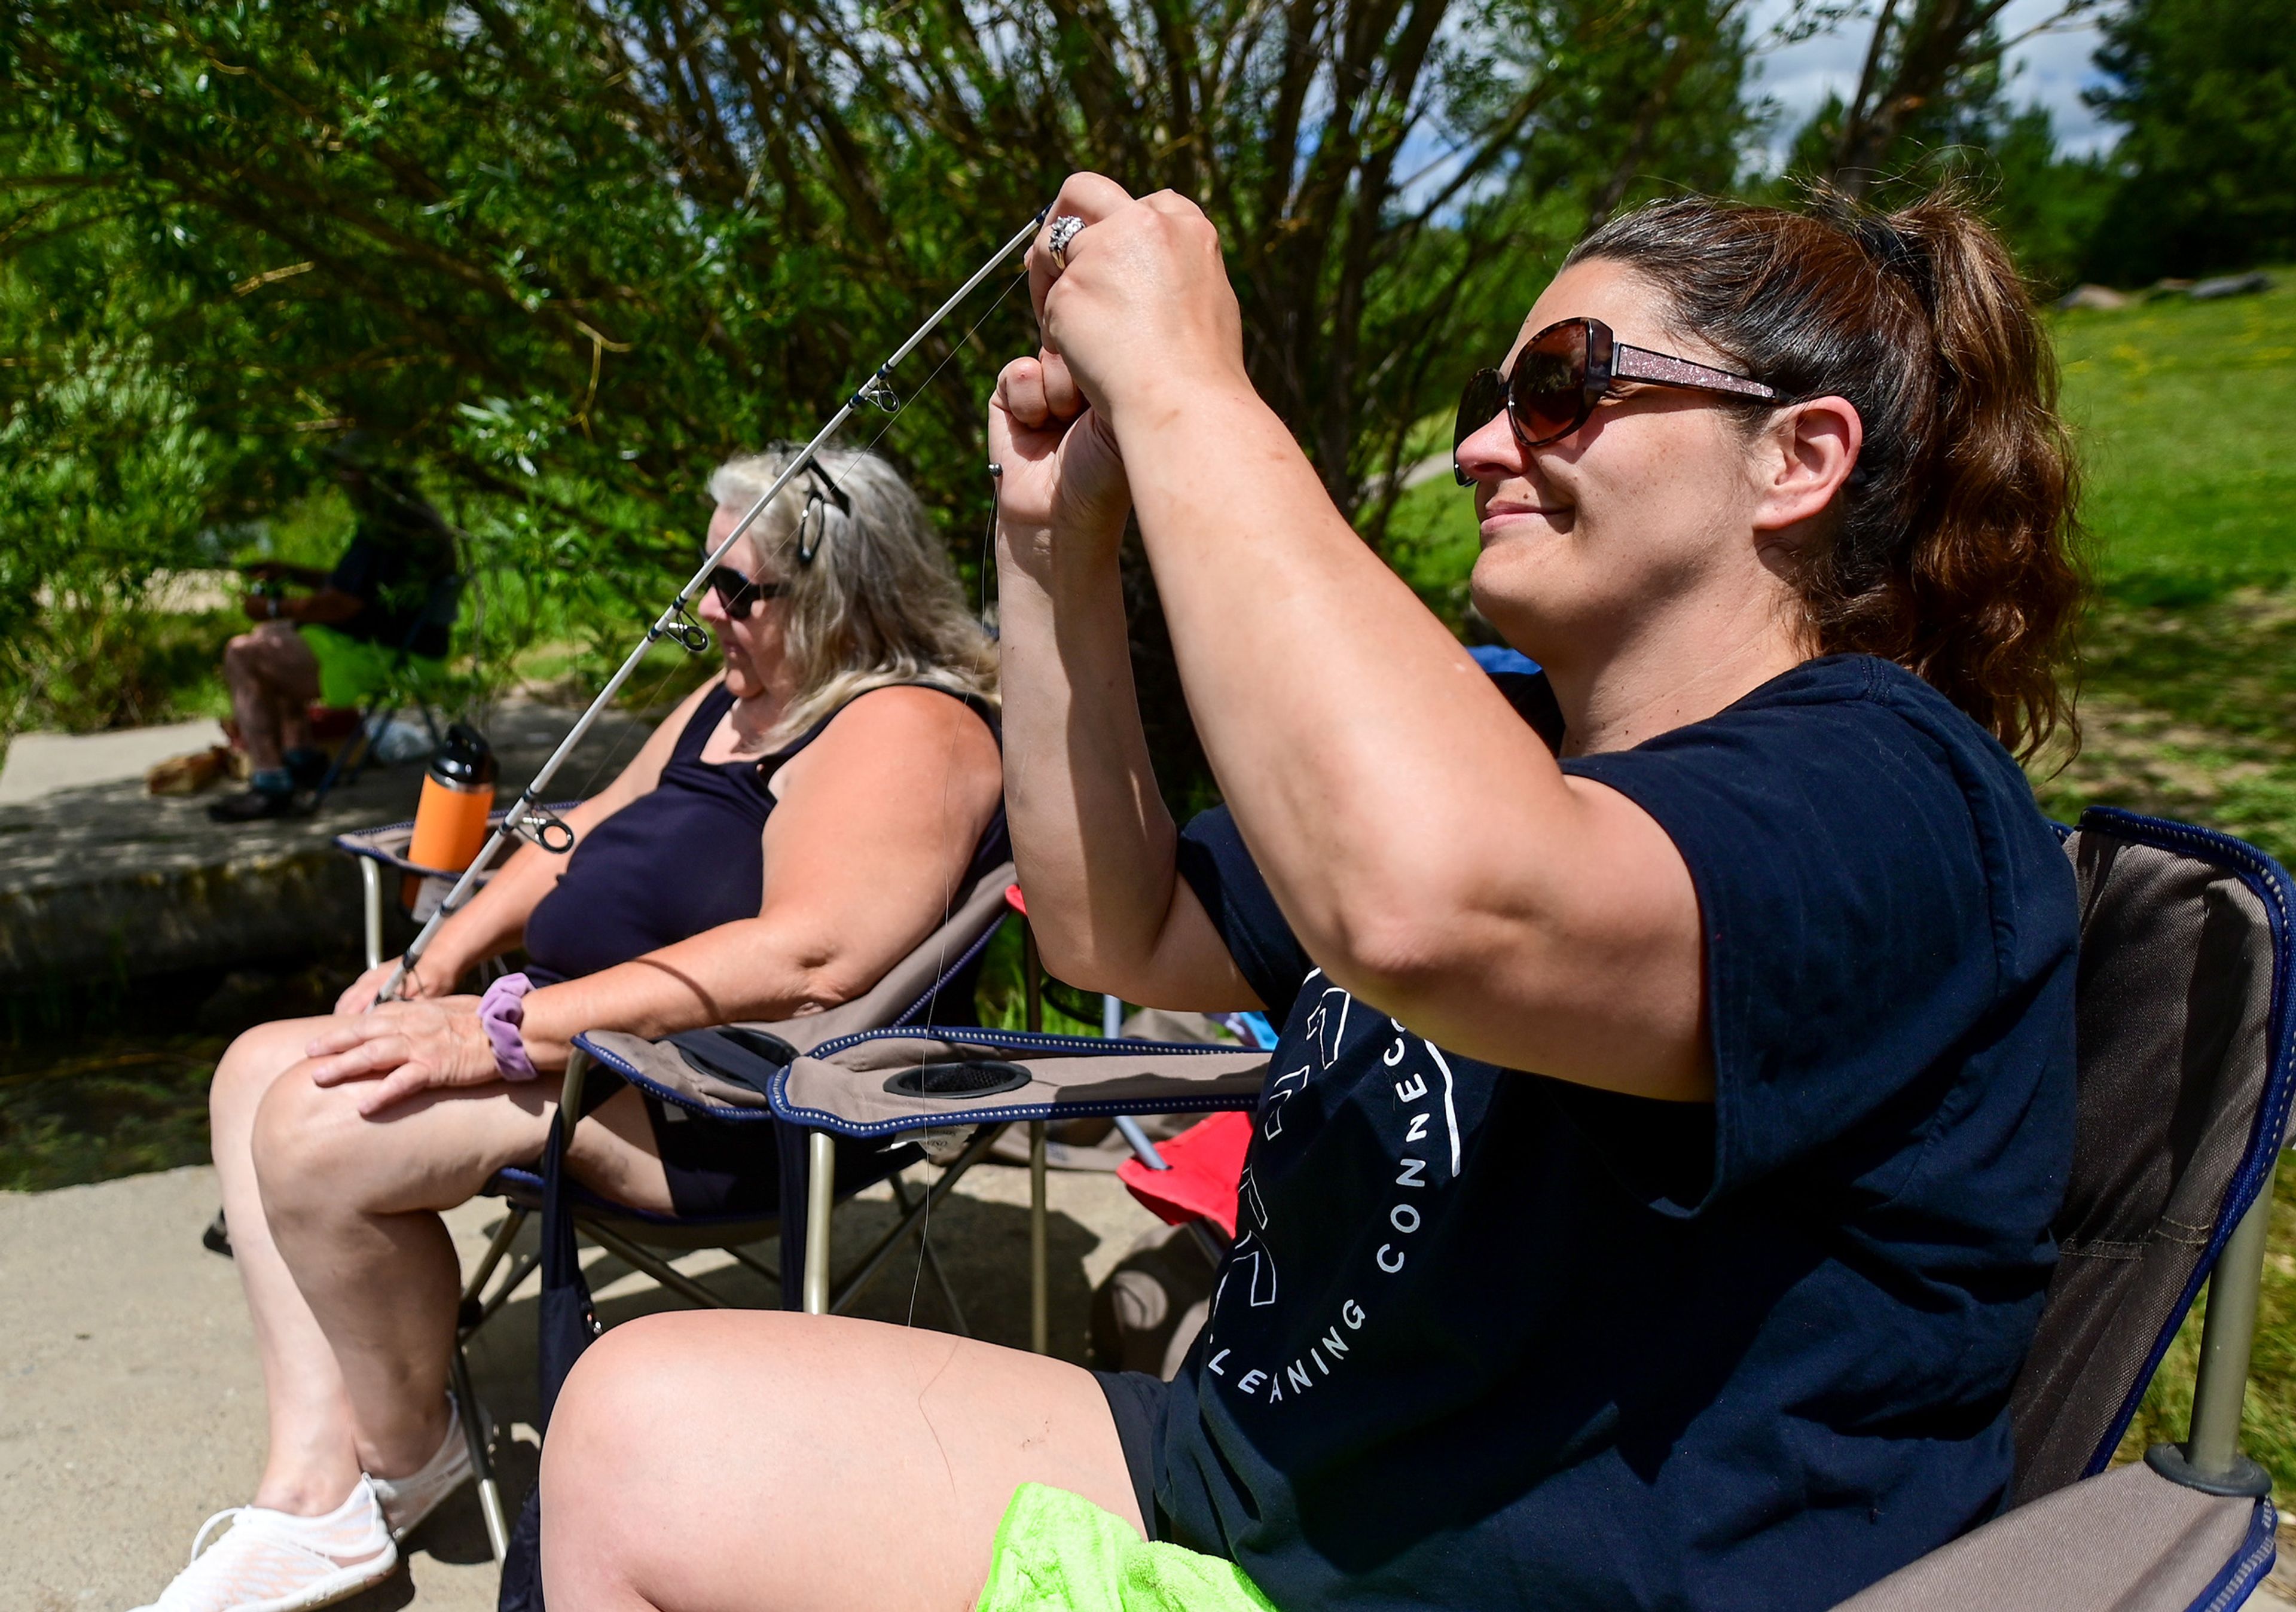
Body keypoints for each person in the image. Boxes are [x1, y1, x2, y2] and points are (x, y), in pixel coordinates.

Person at [538, 173, 2087, 1612]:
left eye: (1564, 388)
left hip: (1519, 1581)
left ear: (1798, 459)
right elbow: (1115, 927)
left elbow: (1437, 908)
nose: (1486, 443)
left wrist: (1190, 385)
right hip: (1270, 1489)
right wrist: (1053, 543)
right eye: (1494, 401)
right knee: (640, 1423)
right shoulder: (1511, 753)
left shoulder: (1889, 795)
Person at [130, 448, 1004, 1612]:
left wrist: (503, 1027)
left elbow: (809, 955)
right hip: (584, 1039)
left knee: (316, 1126)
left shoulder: (904, 726)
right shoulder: (734, 705)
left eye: (738, 588)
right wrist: (432, 959)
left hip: (728, 1097)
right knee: (251, 1071)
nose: (707, 611)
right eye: (707, 578)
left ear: (845, 587)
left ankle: (403, 1454)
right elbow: (582, 828)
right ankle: (313, 1484)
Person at [209, 438, 463, 822]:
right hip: (397, 643)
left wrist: (273, 606)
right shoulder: (409, 517)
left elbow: (343, 605)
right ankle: (303, 758)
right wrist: (292, 573)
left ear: (372, 476)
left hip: (388, 654)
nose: (341, 479)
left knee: (243, 653)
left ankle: (271, 782)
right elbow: (355, 585)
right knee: (268, 640)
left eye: (348, 470)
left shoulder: (388, 529)